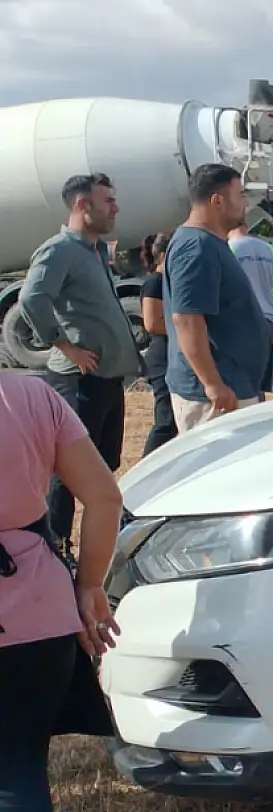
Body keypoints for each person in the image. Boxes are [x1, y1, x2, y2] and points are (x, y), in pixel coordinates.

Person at [0, 371, 123, 812]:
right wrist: (89, 586)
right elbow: (104, 496)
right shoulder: (28, 395)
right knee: (17, 776)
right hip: (37, 618)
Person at [16, 173, 142, 557]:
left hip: (105, 377)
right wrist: (64, 345)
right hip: (79, 378)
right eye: (107, 200)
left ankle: (95, 548)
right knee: (70, 471)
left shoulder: (94, 250)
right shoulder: (60, 250)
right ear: (81, 205)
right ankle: (54, 551)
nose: (115, 207)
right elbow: (32, 298)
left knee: (104, 463)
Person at [164, 163, 272, 431]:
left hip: (232, 386)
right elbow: (187, 319)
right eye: (240, 196)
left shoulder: (209, 243)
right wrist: (212, 383)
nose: (245, 204)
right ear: (217, 201)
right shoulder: (196, 246)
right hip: (215, 398)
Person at [227, 221, 273, 401]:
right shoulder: (270, 250)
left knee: (238, 380)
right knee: (260, 381)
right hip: (268, 321)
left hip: (241, 321)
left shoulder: (227, 249)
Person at [137, 231, 177, 455]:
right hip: (162, 356)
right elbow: (152, 323)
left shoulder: (171, 281)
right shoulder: (155, 282)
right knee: (165, 421)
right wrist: (185, 328)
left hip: (174, 352)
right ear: (163, 254)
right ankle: (148, 468)